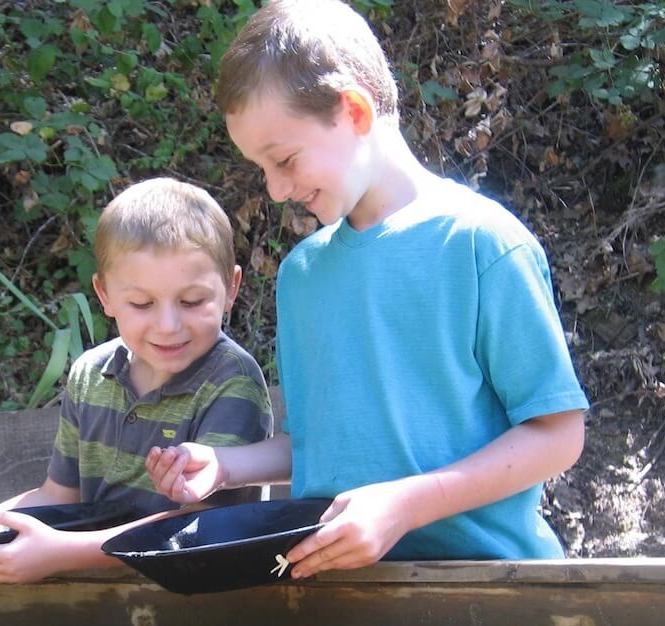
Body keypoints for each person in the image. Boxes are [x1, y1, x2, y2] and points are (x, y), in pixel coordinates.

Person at [145, 0, 589, 579]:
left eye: (284, 159)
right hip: (343, 593)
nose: (276, 190)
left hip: (491, 589)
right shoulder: (301, 275)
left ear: (353, 110)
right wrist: (226, 467)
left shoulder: (480, 243)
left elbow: (557, 435)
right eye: (261, 169)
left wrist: (405, 505)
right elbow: (321, 446)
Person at [0, 177, 273, 583]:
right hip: (98, 597)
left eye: (192, 301)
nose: (168, 326)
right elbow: (60, 497)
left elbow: (201, 527)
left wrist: (64, 554)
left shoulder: (231, 380)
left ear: (232, 287)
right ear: (105, 295)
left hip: (197, 599)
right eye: (141, 303)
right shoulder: (90, 374)